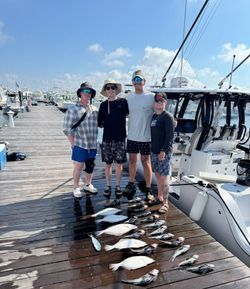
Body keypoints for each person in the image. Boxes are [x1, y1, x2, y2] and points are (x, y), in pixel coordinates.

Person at [63, 82, 99, 198]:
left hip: (92, 144)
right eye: (85, 91)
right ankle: (76, 187)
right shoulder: (73, 109)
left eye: (90, 92)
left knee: (90, 166)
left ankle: (88, 184)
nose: (87, 94)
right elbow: (67, 129)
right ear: (80, 93)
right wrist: (73, 144)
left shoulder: (95, 109)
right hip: (79, 143)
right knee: (78, 167)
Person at [123, 70, 155, 200]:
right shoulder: (128, 97)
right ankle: (131, 183)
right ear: (132, 83)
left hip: (146, 137)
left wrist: (172, 120)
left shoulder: (151, 96)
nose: (137, 82)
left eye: (140, 80)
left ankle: (148, 188)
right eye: (135, 80)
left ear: (144, 81)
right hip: (131, 136)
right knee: (132, 160)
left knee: (146, 162)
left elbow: (161, 109)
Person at [98, 79, 129, 205]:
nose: (110, 90)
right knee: (108, 164)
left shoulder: (123, 102)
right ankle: (107, 185)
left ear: (116, 89)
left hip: (120, 138)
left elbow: (132, 114)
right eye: (108, 88)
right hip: (107, 139)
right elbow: (99, 122)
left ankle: (117, 186)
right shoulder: (103, 105)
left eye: (113, 87)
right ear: (105, 91)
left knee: (119, 164)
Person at [150, 92, 175, 213]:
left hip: (163, 152)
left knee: (164, 179)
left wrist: (163, 151)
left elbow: (170, 137)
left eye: (161, 101)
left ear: (165, 102)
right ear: (154, 103)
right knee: (158, 176)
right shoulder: (154, 116)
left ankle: (166, 203)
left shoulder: (167, 117)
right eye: (157, 101)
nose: (159, 103)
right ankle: (159, 197)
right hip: (154, 151)